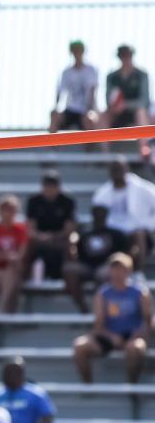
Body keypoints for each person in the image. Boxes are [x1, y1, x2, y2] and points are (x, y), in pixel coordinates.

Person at [72, 252, 152, 383]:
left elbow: (147, 320)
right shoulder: (103, 294)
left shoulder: (140, 292)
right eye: (114, 269)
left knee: (136, 348)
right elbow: (98, 324)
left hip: (132, 336)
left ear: (129, 270)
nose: (117, 273)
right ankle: (88, 386)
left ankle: (132, 386)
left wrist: (138, 334)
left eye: (120, 269)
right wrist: (110, 336)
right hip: (109, 336)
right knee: (80, 346)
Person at [63, 204, 131, 313]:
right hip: (88, 266)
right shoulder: (85, 235)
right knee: (69, 270)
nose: (99, 217)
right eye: (96, 215)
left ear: (106, 216)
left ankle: (101, 311)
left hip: (107, 265)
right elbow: (77, 256)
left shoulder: (116, 235)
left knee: (102, 274)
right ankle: (83, 308)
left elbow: (125, 254)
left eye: (101, 215)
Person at [92, 157, 155, 268]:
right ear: (110, 172)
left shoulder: (144, 188)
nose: (117, 172)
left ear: (127, 169)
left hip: (138, 234)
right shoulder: (102, 193)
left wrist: (146, 225)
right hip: (113, 235)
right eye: (114, 169)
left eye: (120, 168)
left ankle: (136, 270)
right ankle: (112, 271)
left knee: (138, 236)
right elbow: (99, 220)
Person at [23, 171, 77, 281]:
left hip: (60, 238)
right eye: (47, 185)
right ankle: (27, 278)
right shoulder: (33, 201)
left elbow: (69, 228)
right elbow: (30, 228)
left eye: (53, 185)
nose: (50, 189)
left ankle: (68, 277)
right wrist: (41, 237)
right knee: (28, 244)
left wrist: (53, 237)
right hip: (39, 238)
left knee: (70, 245)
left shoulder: (67, 201)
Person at [0, 195, 28, 313]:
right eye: (6, 210)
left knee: (12, 275)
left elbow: (22, 252)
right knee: (10, 275)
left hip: (15, 269)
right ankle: (3, 309)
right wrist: (10, 257)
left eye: (12, 210)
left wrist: (11, 258)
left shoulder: (21, 230)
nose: (8, 214)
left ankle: (3, 310)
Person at [49, 40, 99, 132]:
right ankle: (52, 145)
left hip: (85, 110)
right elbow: (60, 91)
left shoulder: (90, 70)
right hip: (70, 109)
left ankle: (90, 145)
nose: (77, 53)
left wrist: (89, 110)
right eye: (74, 51)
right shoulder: (66, 72)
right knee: (54, 115)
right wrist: (56, 109)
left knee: (90, 119)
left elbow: (92, 91)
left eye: (79, 50)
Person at [99, 44, 150, 130]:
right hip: (116, 114)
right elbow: (108, 100)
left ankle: (144, 143)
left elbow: (145, 101)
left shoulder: (141, 75)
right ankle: (103, 143)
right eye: (123, 55)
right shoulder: (112, 77)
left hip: (135, 113)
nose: (126, 58)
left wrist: (125, 105)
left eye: (128, 55)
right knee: (103, 115)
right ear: (119, 57)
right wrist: (115, 107)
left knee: (141, 113)